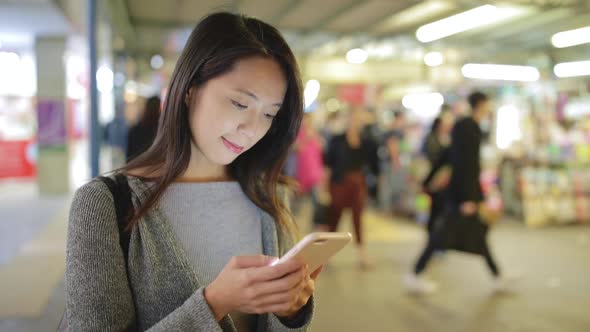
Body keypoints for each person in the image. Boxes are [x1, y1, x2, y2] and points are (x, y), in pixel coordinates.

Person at [66, 12, 319, 331]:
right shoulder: (104, 203)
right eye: (240, 104)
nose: (252, 129)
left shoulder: (269, 195)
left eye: (269, 114)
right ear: (189, 89)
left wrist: (290, 313)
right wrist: (214, 304)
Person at [406, 91, 508, 294]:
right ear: (481, 105)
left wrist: (427, 181)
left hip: (461, 195)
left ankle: (498, 276)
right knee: (441, 235)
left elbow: (448, 156)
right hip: (462, 196)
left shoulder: (464, 126)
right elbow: (465, 165)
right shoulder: (469, 128)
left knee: (478, 235)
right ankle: (415, 273)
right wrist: (468, 197)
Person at [324, 107, 377, 269]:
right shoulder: (337, 139)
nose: (355, 122)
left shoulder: (367, 141)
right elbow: (328, 164)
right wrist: (324, 188)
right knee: (334, 218)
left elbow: (374, 164)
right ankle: (325, 255)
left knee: (358, 218)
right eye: (353, 118)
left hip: (358, 183)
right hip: (339, 183)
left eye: (358, 118)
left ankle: (362, 254)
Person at [421, 108, 454, 234]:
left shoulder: (446, 138)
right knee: (433, 206)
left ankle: (436, 234)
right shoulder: (432, 138)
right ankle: (432, 232)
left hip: (442, 179)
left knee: (439, 207)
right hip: (433, 176)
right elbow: (432, 158)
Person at [294, 113, 326, 230]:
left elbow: (321, 148)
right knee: (298, 201)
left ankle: (316, 224)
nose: (307, 123)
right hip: (302, 173)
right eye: (305, 120)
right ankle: (293, 222)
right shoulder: (298, 134)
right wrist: (307, 137)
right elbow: (298, 148)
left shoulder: (315, 134)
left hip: (315, 173)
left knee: (316, 200)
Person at [379, 111, 407, 215]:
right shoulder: (394, 132)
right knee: (388, 186)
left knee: (388, 185)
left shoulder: (394, 130)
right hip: (390, 163)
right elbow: (392, 146)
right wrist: (396, 161)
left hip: (389, 162)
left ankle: (386, 208)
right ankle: (386, 209)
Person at [126, 95, 161, 161]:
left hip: (138, 166)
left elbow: (129, 156)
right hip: (155, 167)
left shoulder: (135, 130)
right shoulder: (161, 131)